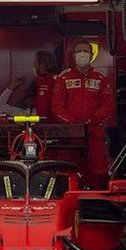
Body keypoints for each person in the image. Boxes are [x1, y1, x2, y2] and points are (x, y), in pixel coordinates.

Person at [52, 40, 113, 188]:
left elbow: (108, 105)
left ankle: (97, 204)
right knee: (68, 170)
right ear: (73, 55)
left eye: (86, 51)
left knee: (99, 170)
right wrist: (72, 123)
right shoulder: (64, 78)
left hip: (94, 133)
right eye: (79, 51)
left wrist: (92, 119)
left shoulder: (100, 78)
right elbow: (56, 107)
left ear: (92, 55)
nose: (82, 54)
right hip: (71, 135)